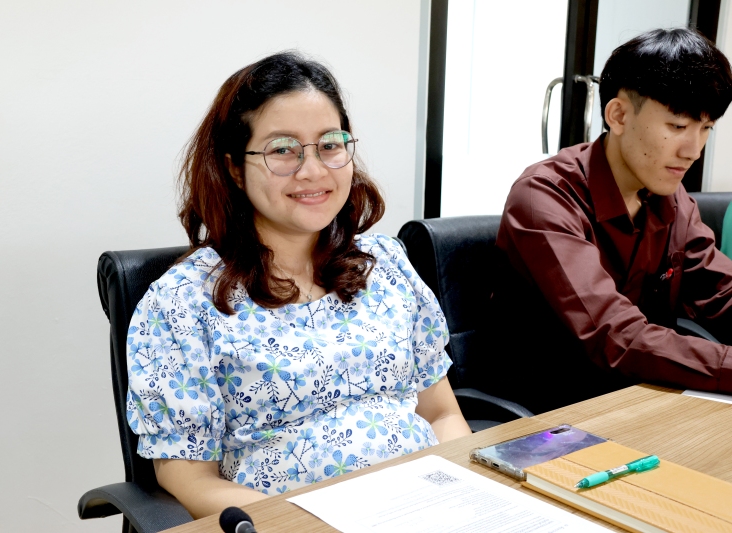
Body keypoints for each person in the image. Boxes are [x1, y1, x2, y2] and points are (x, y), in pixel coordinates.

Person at [125, 52, 471, 518]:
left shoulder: (385, 264)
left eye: (330, 144)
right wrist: (317, 523)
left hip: (429, 510)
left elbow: (441, 413)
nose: (313, 170)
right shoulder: (183, 303)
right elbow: (188, 478)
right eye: (283, 150)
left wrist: (458, 493)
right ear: (234, 167)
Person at [480, 28, 732, 415]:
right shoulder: (544, 196)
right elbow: (614, 335)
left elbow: (721, 294)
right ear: (618, 115)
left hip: (637, 397)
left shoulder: (669, 195)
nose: (693, 150)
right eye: (678, 127)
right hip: (549, 413)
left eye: (706, 129)